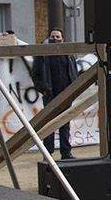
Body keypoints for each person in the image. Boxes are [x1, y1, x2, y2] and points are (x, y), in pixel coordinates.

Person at [30, 27, 76, 160]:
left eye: (57, 37)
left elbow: (73, 71)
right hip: (50, 94)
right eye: (52, 36)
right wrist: (43, 89)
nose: (54, 39)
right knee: (49, 125)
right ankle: (48, 154)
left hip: (66, 94)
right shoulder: (43, 54)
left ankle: (66, 153)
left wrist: (74, 88)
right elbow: (35, 74)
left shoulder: (69, 53)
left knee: (65, 124)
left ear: (62, 39)